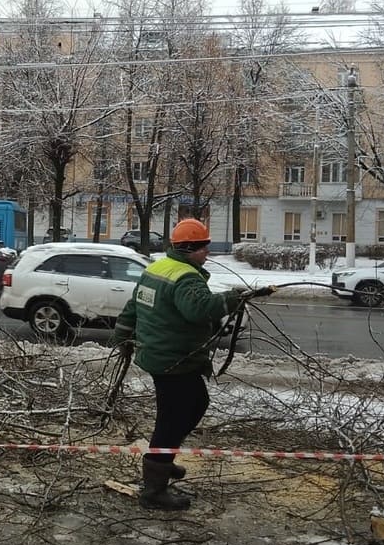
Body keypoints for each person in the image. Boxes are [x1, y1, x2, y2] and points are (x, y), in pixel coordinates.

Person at [111, 218, 273, 510]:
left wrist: (123, 334)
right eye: (204, 248)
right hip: (174, 359)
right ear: (191, 249)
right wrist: (234, 297)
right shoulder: (185, 277)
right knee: (176, 417)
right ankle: (154, 487)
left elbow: (134, 304)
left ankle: (162, 460)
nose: (207, 253)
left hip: (159, 356)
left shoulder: (157, 268)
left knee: (190, 406)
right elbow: (199, 310)